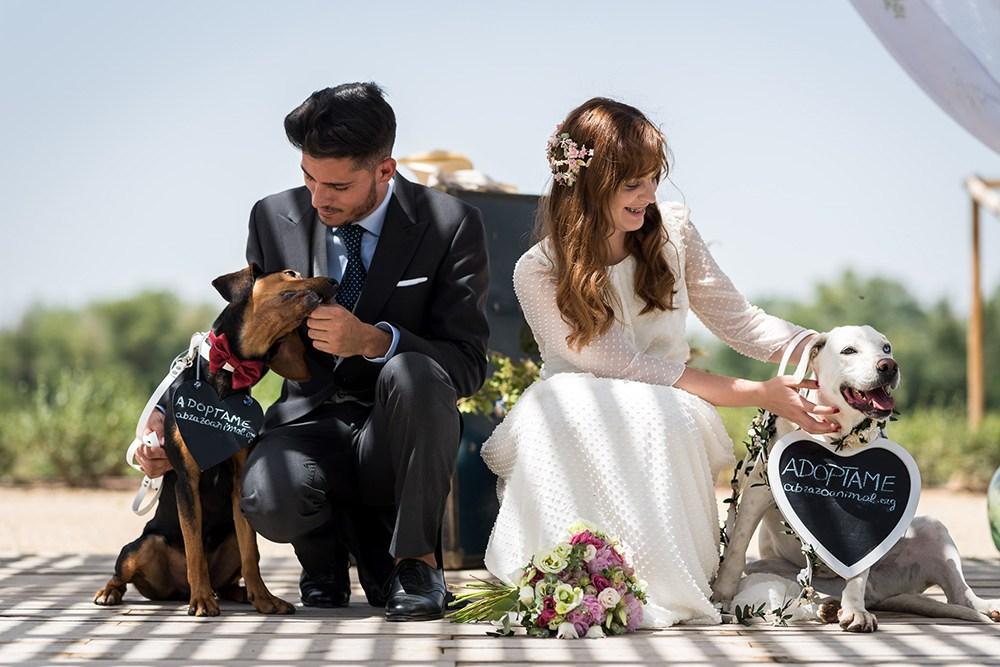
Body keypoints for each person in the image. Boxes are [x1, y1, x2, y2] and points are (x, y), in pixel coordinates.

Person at [137, 82, 490, 621]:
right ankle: (322, 557)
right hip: (303, 424)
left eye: (337, 185)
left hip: (395, 435)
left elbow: (466, 364)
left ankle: (416, 564)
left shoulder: (450, 225)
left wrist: (376, 341)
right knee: (266, 495)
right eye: (308, 177)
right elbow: (240, 338)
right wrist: (167, 416)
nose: (318, 197)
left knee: (415, 373)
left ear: (385, 171)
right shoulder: (271, 217)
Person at [480, 97, 839, 627]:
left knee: (661, 416)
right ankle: (564, 579)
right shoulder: (536, 270)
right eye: (632, 183)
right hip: (576, 394)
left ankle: (661, 584)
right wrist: (757, 392)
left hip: (670, 399)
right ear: (588, 182)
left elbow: (738, 320)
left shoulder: (672, 232)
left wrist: (828, 349)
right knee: (576, 407)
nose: (648, 195)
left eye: (653, 179)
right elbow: (613, 362)